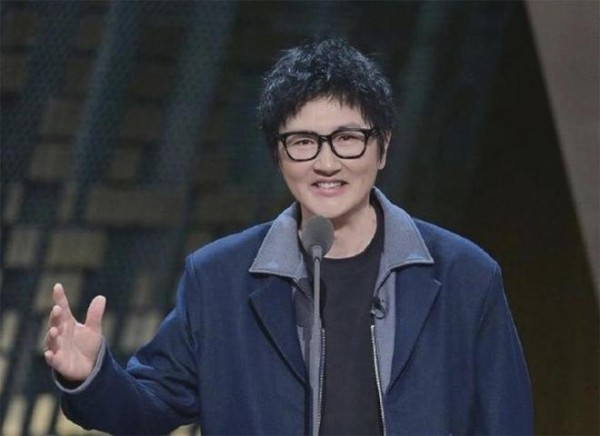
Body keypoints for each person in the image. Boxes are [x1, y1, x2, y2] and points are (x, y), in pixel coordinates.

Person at [45, 38, 533, 435]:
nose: (326, 162)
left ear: (382, 147)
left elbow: (504, 422)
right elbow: (151, 405)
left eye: (348, 139)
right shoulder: (219, 278)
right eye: (303, 142)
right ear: (278, 157)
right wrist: (91, 376)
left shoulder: (466, 275)